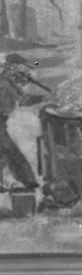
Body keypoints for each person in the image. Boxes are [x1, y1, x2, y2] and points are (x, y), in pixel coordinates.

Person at [0, 54, 46, 192]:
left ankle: (27, 182)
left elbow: (24, 99)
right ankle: (28, 182)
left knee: (6, 154)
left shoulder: (10, 84)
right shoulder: (4, 85)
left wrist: (43, 97)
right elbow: (24, 100)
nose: (24, 73)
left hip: (2, 123)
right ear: (11, 67)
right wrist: (45, 98)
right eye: (20, 69)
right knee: (10, 152)